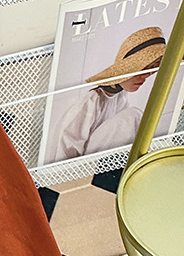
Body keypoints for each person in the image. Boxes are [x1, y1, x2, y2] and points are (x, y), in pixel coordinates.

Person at [48, 26, 166, 163]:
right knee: (134, 116)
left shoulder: (121, 97)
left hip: (106, 161)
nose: (145, 76)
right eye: (141, 69)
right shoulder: (92, 99)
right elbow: (66, 145)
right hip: (83, 166)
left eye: (151, 69)